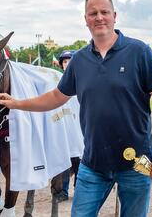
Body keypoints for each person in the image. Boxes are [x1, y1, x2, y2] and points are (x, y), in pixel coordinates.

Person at [0, 0, 152, 217]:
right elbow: (56, 97)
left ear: (114, 16)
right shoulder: (79, 60)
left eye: (104, 12)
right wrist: (18, 103)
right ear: (86, 20)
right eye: (93, 13)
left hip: (137, 162)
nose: (99, 17)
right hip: (93, 163)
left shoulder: (139, 52)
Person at [57, 50, 82, 202]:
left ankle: (80, 190)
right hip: (64, 129)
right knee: (65, 162)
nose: (67, 64)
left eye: (70, 60)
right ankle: (62, 191)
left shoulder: (83, 80)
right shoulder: (57, 82)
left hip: (80, 129)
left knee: (81, 162)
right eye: (64, 61)